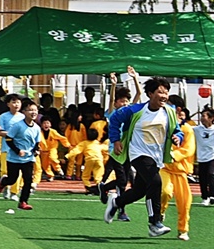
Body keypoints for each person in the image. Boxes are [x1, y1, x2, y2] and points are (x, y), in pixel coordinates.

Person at [104, 78, 183, 236]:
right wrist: (116, 140)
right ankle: (154, 223)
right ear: (150, 94)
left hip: (156, 156)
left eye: (166, 92)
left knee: (139, 191)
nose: (164, 95)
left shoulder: (169, 111)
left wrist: (177, 138)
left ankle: (116, 202)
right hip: (138, 153)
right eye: (160, 92)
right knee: (155, 182)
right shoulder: (135, 110)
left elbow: (177, 130)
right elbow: (114, 119)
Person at [0, 101, 43, 211]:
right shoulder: (18, 126)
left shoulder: (37, 128)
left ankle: (23, 201)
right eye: (30, 110)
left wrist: (36, 150)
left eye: (35, 110)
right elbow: (8, 139)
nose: (33, 112)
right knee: (12, 179)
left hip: (28, 159)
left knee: (28, 181)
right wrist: (17, 150)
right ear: (24, 112)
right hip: (14, 158)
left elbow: (37, 143)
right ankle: (4, 181)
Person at [159, 103, 194, 240]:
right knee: (164, 191)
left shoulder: (187, 129)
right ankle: (159, 213)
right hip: (165, 168)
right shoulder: (163, 127)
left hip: (180, 171)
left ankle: (183, 230)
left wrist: (174, 155)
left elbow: (189, 150)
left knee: (185, 202)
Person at [65, 127, 110, 193]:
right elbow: (106, 148)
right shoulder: (98, 143)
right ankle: (100, 188)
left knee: (85, 176)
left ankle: (88, 188)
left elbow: (76, 150)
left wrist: (67, 156)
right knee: (98, 176)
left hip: (90, 160)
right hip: (99, 160)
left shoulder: (84, 143)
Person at [195, 108, 214, 207]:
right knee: (202, 178)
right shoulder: (198, 129)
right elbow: (185, 128)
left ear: (211, 118)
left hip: (212, 157)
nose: (202, 118)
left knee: (211, 175)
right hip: (201, 158)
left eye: (204, 116)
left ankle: (212, 195)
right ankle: (205, 197)